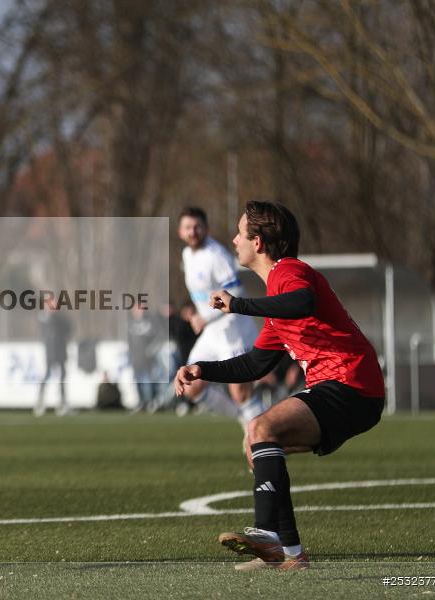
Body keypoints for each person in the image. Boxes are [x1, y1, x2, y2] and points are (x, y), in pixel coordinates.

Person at [174, 201, 385, 571]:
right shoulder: (276, 301)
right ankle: (290, 554)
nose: (234, 239)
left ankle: (267, 534)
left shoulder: (290, 271)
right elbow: (254, 364)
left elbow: (303, 301)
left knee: (261, 427)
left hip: (352, 383)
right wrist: (200, 369)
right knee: (255, 443)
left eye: (240, 232)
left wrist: (239, 305)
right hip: (342, 388)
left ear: (257, 242)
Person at [177, 207, 263, 424]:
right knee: (190, 385)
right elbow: (203, 293)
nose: (193, 232)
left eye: (197, 227)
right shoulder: (187, 255)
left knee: (241, 394)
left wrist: (206, 317)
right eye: (188, 227)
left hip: (234, 332)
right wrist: (195, 313)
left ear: (206, 228)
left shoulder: (217, 255)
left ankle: (262, 432)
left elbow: (237, 292)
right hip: (212, 334)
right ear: (180, 231)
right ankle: (248, 422)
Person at [34, 298, 72, 416]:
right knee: (47, 375)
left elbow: (68, 329)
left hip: (61, 352)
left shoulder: (60, 318)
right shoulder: (45, 319)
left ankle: (63, 403)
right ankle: (40, 402)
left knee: (62, 378)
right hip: (50, 352)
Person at [126, 304, 166, 412]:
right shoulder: (130, 323)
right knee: (138, 381)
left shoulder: (151, 322)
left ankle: (152, 402)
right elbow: (129, 341)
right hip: (136, 358)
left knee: (150, 380)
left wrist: (152, 349)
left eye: (142, 308)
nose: (141, 311)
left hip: (149, 358)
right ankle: (141, 403)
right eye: (139, 308)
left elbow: (159, 337)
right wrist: (130, 353)